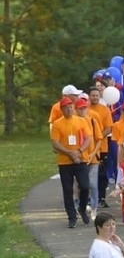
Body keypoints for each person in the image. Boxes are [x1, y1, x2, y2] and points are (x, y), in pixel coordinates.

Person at [51, 96, 93, 229]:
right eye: (66, 107)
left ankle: (82, 208)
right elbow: (55, 143)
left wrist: (79, 151)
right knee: (68, 190)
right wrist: (69, 153)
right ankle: (71, 216)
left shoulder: (81, 121)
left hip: (80, 159)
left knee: (85, 186)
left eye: (71, 106)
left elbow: (88, 138)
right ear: (62, 109)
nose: (69, 109)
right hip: (65, 161)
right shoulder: (57, 124)